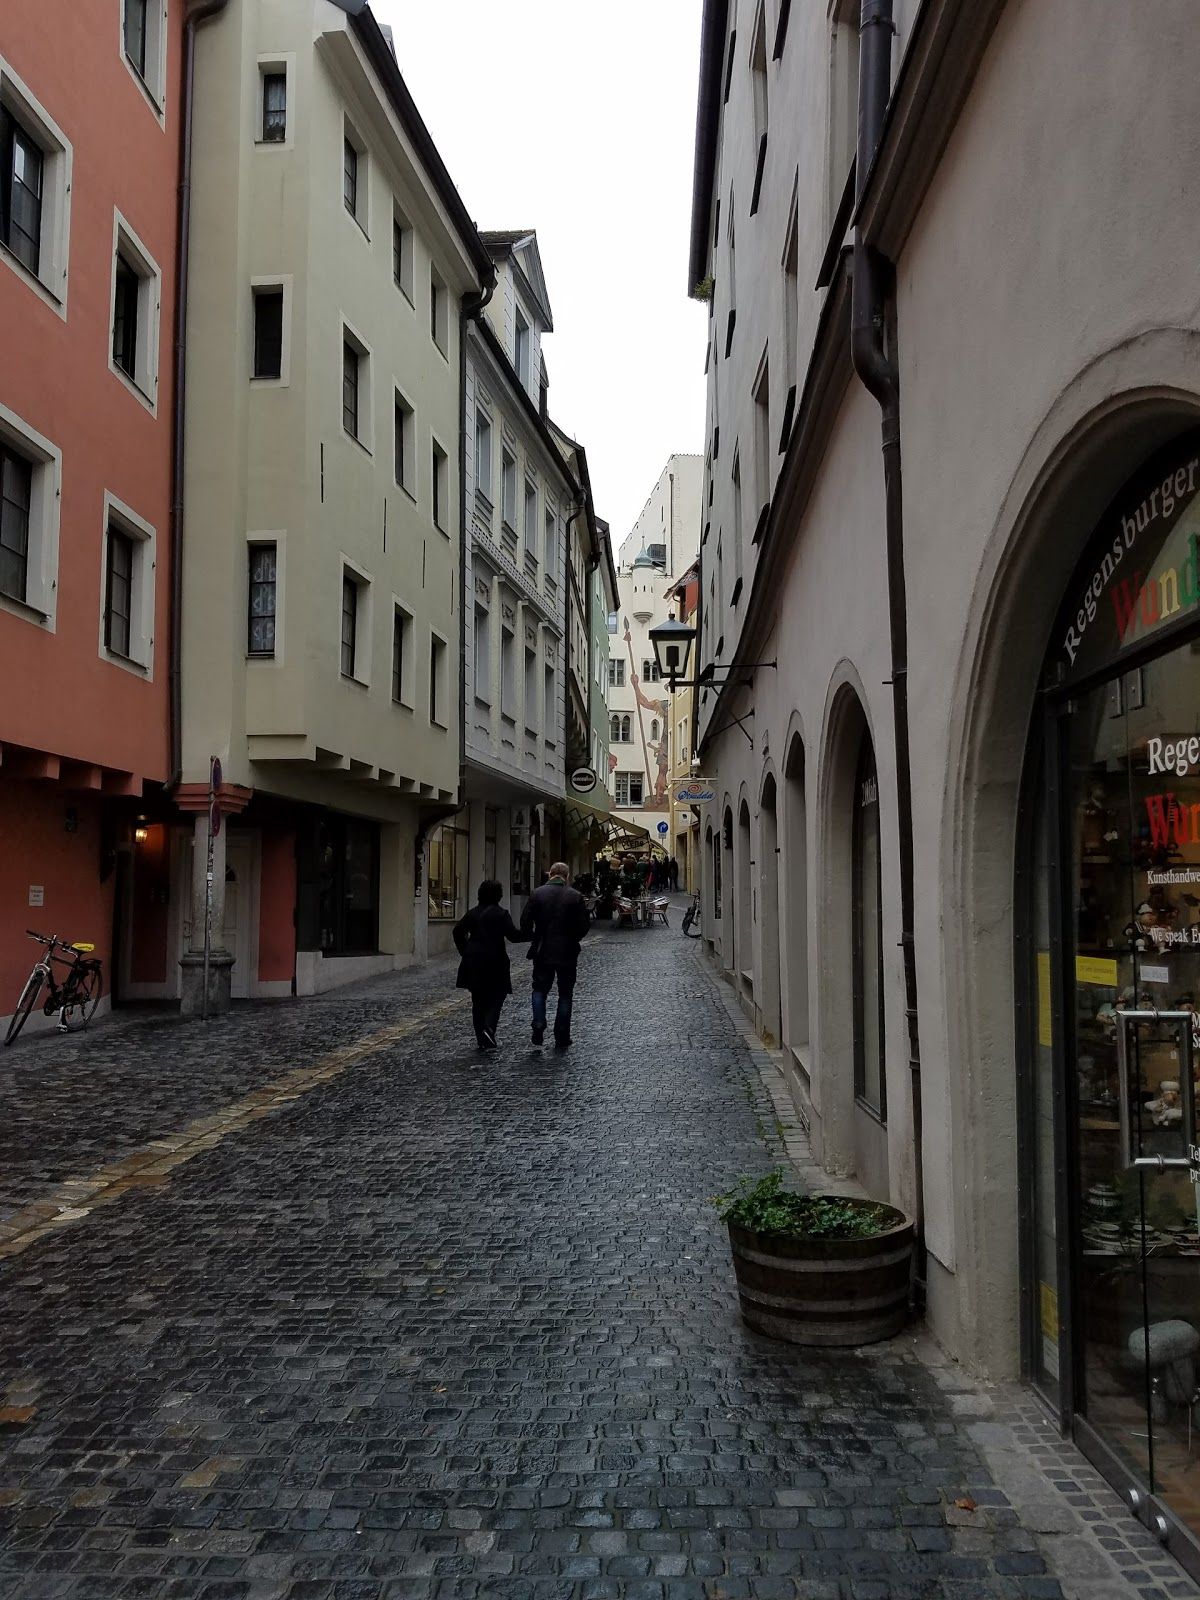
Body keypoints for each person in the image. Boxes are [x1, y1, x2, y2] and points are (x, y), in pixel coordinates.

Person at [520, 860, 591, 1048]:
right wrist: (573, 938)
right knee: (565, 994)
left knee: (539, 989)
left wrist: (535, 937)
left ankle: (538, 1022)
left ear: (549, 874)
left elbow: (525, 922)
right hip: (567, 951)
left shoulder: (537, 893)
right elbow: (584, 925)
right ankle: (561, 1035)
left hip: (543, 950)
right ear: (566, 876)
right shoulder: (575, 896)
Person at [453, 880, 528, 1049]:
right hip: (495, 960)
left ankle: (481, 1036)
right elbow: (514, 936)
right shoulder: (501, 914)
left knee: (478, 999)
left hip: (474, 961)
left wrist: (466, 951)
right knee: (497, 995)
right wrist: (532, 935)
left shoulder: (472, 913)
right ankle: (489, 1027)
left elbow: (457, 931)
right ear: (498, 896)